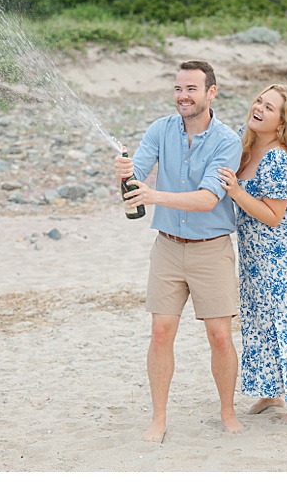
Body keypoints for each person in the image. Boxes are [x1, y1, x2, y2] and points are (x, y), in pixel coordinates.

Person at [114, 60, 244, 442]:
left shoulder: (227, 141)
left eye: (191, 89)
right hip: (167, 247)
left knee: (220, 336)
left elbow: (207, 199)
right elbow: (133, 178)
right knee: (160, 333)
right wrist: (123, 170)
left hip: (212, 250)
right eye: (178, 89)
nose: (183, 96)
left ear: (211, 93)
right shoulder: (160, 129)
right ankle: (158, 418)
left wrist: (153, 196)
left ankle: (227, 411)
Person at [217, 84, 287, 425]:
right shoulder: (245, 144)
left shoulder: (277, 157)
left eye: (269, 107)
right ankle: (272, 391)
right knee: (260, 321)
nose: (259, 108)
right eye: (259, 101)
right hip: (256, 256)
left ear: (281, 123)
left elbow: (273, 215)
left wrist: (234, 191)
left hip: (286, 256)